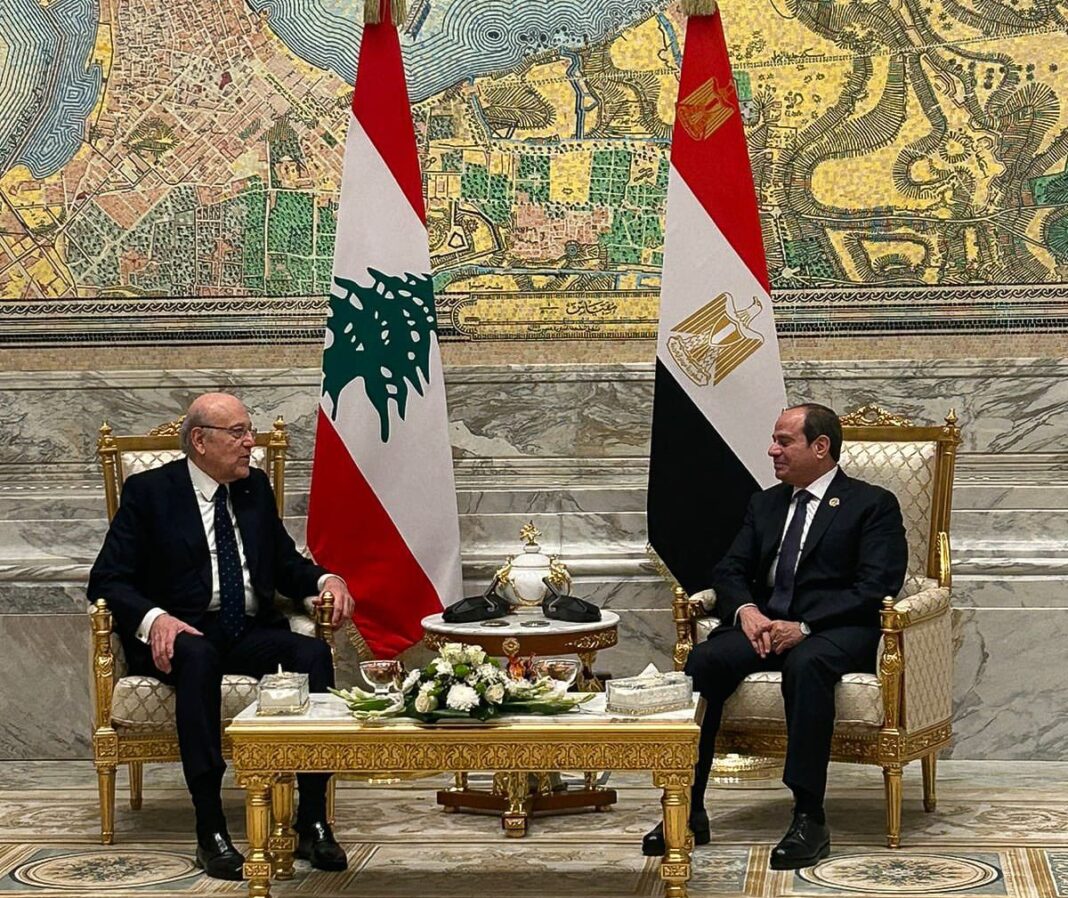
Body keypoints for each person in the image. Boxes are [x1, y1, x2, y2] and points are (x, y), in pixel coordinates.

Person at [88, 393, 357, 880]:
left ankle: (313, 820)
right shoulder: (150, 492)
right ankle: (210, 828)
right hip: (182, 633)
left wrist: (326, 580)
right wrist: (156, 619)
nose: (250, 442)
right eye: (238, 433)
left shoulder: (253, 487)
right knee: (199, 657)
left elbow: (285, 563)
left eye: (248, 431)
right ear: (200, 440)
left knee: (313, 654)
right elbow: (106, 580)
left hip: (247, 629)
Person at [642, 403, 907, 869]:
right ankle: (687, 808)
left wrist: (804, 626)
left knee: (807, 666)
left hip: (833, 630)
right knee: (703, 662)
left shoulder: (871, 504)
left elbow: (876, 586)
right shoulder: (765, 503)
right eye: (774, 440)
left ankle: (809, 817)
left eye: (784, 441)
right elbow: (729, 569)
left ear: (820, 447)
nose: (772, 450)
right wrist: (746, 611)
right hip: (764, 627)